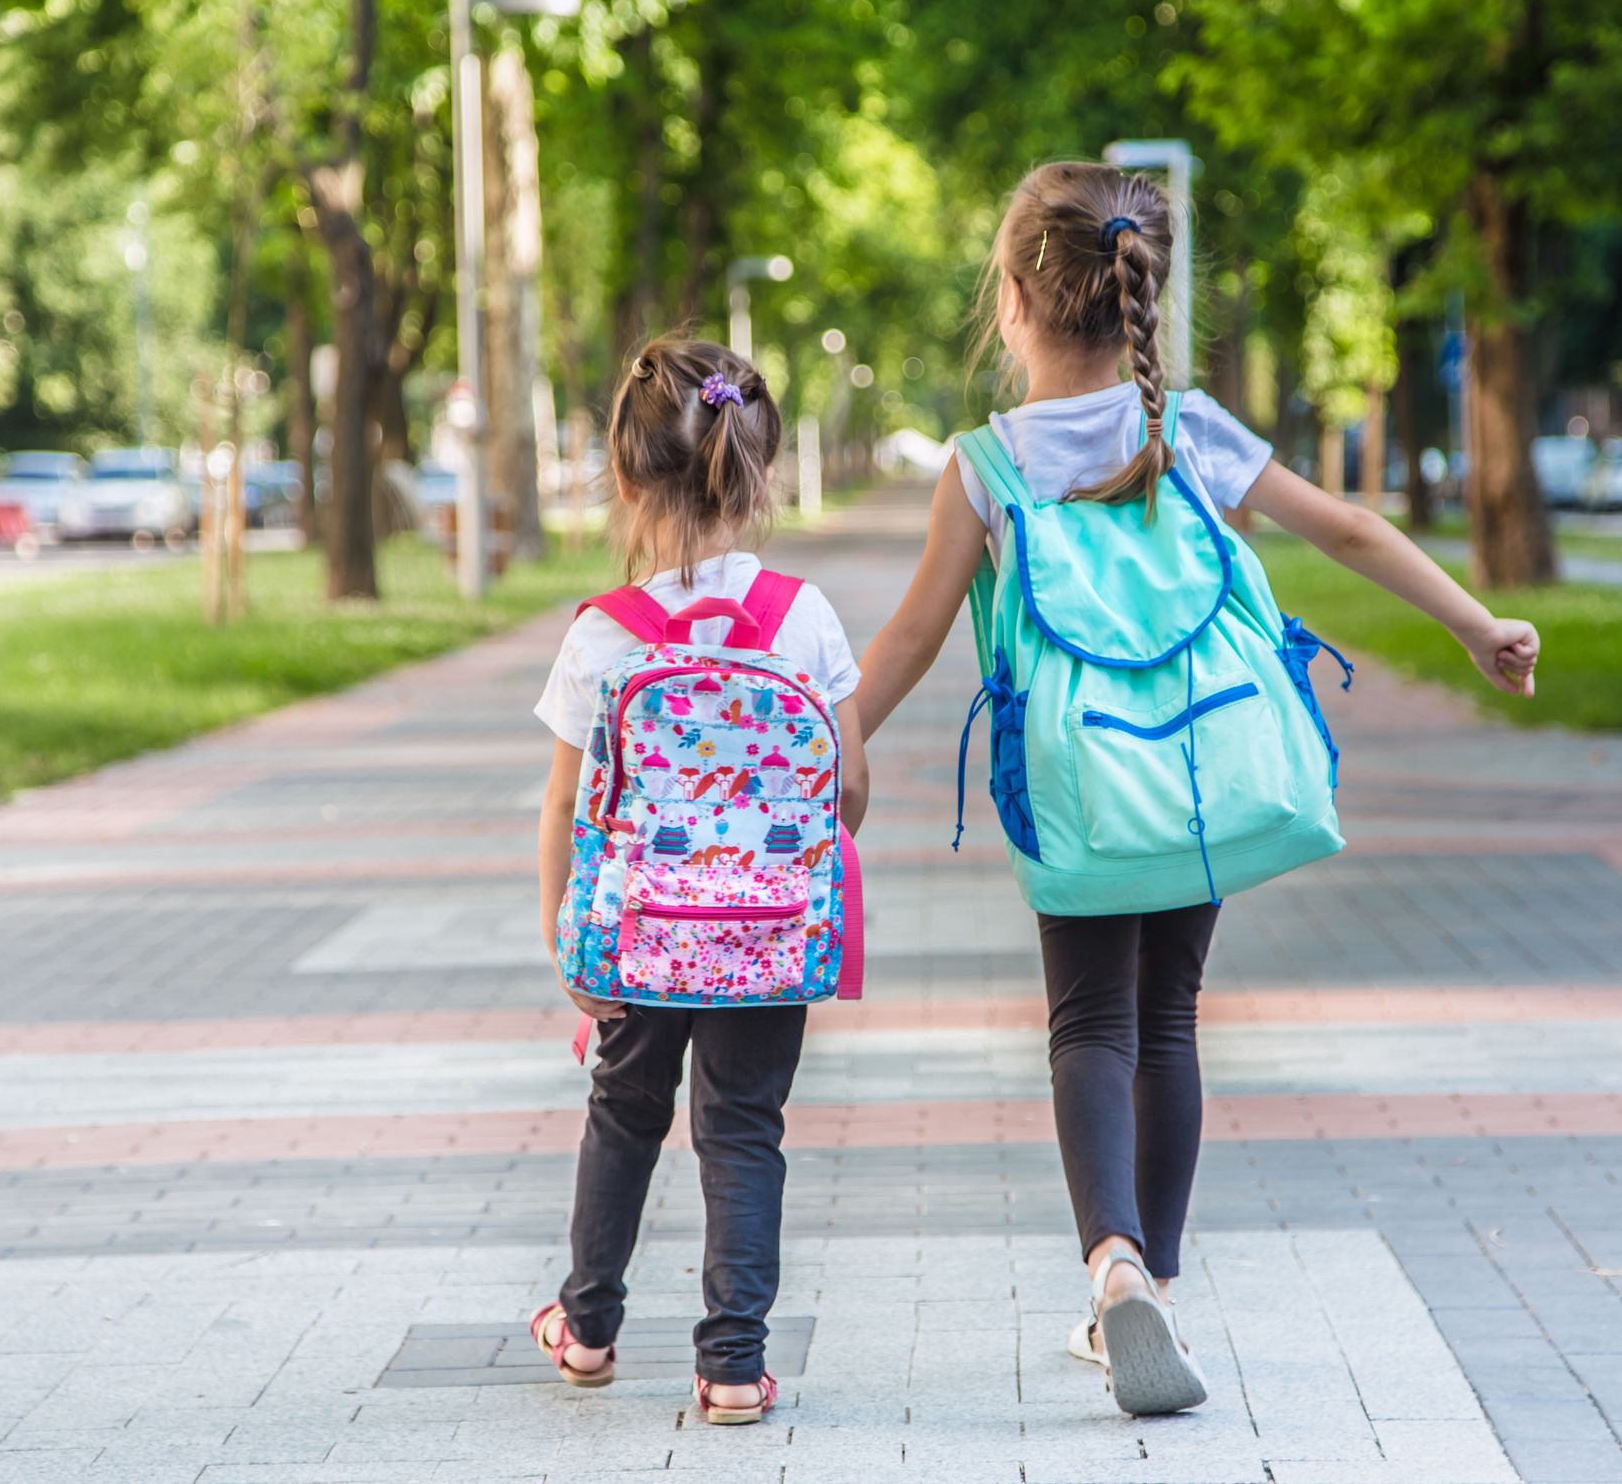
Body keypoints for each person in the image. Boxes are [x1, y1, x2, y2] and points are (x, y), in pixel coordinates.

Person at [854, 162, 1540, 1413]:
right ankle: (1153, 1278)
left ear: (1009, 296)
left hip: (1073, 783)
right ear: (1144, 300)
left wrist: (830, 740)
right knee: (1166, 1018)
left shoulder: (984, 463)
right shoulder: (1191, 427)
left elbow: (906, 636)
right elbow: (1344, 528)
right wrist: (1470, 620)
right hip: (1197, 770)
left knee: (1087, 1024)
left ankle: (1110, 1259)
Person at [532, 336, 868, 1424]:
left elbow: (566, 809)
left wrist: (562, 935)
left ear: (622, 479)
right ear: (755, 473)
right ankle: (732, 1361)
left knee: (622, 1117)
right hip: (767, 940)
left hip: (636, 937)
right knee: (742, 1129)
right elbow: (847, 785)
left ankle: (586, 1329)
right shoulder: (801, 616)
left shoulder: (601, 634)